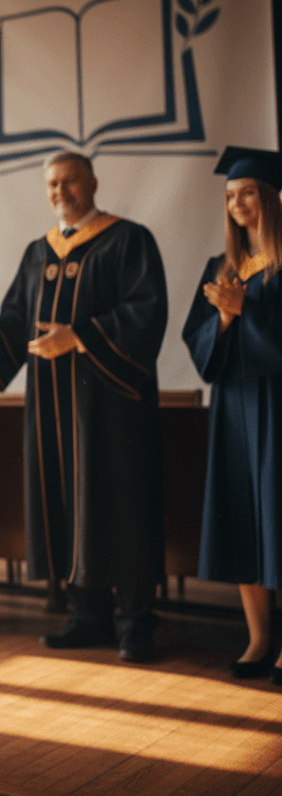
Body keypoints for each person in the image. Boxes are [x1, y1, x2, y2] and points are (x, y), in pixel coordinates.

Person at [0, 151, 167, 662]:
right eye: (52, 184)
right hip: (52, 407)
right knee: (66, 501)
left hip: (111, 410)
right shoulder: (38, 252)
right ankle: (88, 614)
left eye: (69, 181)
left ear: (93, 183)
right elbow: (18, 318)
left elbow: (146, 312)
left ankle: (136, 622)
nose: (60, 191)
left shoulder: (128, 240)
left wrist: (80, 337)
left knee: (119, 502)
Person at [182, 147, 282, 682]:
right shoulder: (220, 269)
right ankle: (259, 638)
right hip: (234, 410)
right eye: (229, 195)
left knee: (278, 518)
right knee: (244, 518)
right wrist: (222, 319)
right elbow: (198, 341)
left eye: (246, 192)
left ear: (269, 196)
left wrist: (247, 311)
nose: (237, 203)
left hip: (278, 404)